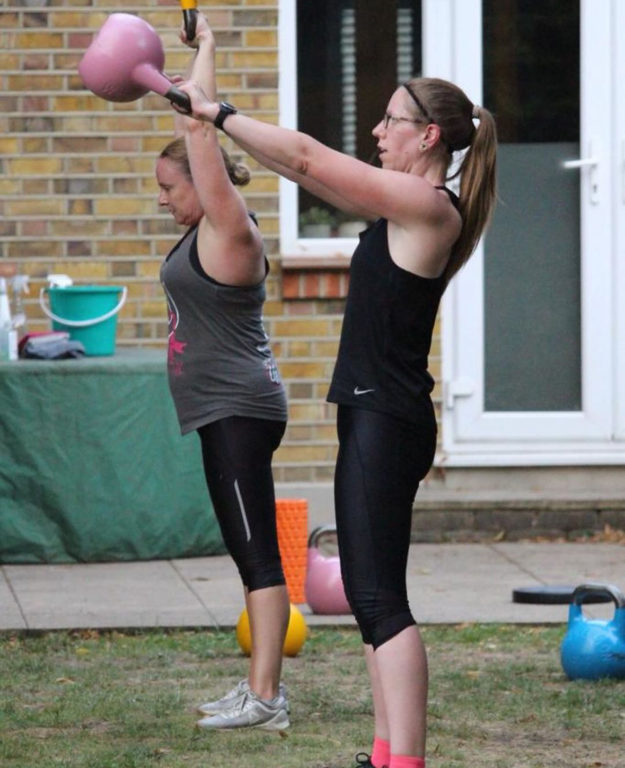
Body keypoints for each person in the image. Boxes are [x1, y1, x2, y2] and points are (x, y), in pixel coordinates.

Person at [174, 19, 497, 766]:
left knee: (381, 598)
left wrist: (218, 116)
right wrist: (206, 84)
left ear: (427, 139)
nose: (379, 130)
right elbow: (304, 172)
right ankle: (385, 752)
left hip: (387, 418)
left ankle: (403, 761)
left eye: (391, 120)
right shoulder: (401, 203)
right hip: (372, 412)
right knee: (368, 595)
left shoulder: (429, 208)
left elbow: (311, 157)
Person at [157, 15, 290, 732]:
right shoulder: (202, 230)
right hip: (225, 408)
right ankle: (258, 688)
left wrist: (199, 76)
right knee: (248, 552)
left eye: (167, 187)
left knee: (256, 554)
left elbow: (199, 130)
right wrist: (202, 46)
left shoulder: (228, 226)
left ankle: (266, 699)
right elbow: (195, 128)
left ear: (201, 187)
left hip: (239, 408)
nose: (160, 198)